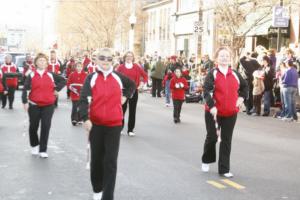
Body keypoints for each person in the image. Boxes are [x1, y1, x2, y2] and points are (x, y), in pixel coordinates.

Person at [79, 48, 136, 200]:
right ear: (96, 60)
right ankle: (97, 188)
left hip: (114, 124)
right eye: (102, 58)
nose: (105, 61)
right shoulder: (90, 78)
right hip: (96, 124)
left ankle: (108, 196)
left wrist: (125, 96)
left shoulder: (118, 77)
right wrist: (85, 118)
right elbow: (83, 99)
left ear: (113, 61)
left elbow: (132, 85)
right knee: (97, 160)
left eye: (109, 58)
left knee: (110, 161)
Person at [201, 47, 248, 178]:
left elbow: (245, 87)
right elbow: (206, 91)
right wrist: (212, 106)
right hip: (214, 112)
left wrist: (241, 98)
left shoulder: (235, 73)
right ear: (216, 58)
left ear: (230, 58)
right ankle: (206, 160)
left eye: (227, 56)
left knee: (226, 140)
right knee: (212, 138)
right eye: (221, 56)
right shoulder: (213, 73)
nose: (224, 58)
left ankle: (224, 169)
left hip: (231, 113)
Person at [22, 53, 66, 158]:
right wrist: (24, 102)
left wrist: (56, 90)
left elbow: (63, 81)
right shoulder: (31, 75)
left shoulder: (51, 74)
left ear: (47, 63)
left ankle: (43, 150)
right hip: (34, 105)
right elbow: (25, 89)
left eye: (44, 61)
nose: (42, 62)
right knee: (33, 127)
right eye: (40, 60)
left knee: (45, 127)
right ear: (36, 63)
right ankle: (34, 145)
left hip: (48, 105)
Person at [116, 51, 148, 137]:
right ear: (125, 57)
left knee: (132, 111)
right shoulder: (120, 67)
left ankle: (130, 129)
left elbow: (145, 76)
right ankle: (120, 128)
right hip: (123, 91)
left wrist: (142, 83)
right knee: (122, 110)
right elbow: (115, 77)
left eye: (130, 56)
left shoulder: (136, 67)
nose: (129, 58)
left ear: (133, 58)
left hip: (134, 90)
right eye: (127, 56)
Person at [67, 60, 87, 125]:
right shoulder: (72, 74)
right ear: (75, 67)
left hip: (82, 94)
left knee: (81, 107)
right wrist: (73, 89)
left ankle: (80, 119)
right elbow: (68, 83)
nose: (79, 68)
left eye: (80, 66)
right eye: (78, 66)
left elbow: (87, 84)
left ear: (82, 67)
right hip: (74, 93)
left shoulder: (85, 75)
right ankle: (74, 119)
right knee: (75, 107)